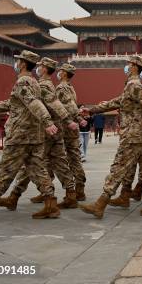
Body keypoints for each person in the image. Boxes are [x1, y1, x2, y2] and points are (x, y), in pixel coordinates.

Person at [78, 55, 142, 219]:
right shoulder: (135, 86)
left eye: (129, 64)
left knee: (119, 167)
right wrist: (93, 110)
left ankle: (101, 203)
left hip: (133, 133)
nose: (126, 67)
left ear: (134, 67)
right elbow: (118, 101)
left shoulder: (134, 84)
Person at [0, 50, 59, 222]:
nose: (16, 64)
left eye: (18, 61)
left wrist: (48, 122)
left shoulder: (22, 82)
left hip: (20, 136)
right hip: (34, 136)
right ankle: (50, 204)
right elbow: (13, 103)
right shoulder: (34, 83)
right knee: (38, 170)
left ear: (23, 64)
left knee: (5, 170)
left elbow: (33, 103)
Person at [0, 57, 82, 211]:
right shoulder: (47, 85)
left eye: (41, 66)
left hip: (46, 131)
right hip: (55, 130)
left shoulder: (42, 85)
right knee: (57, 163)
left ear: (44, 69)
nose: (38, 68)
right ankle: (70, 195)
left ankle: (15, 196)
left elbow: (53, 104)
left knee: (32, 165)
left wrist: (68, 120)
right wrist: (69, 120)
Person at [55, 63, 88, 201]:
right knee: (75, 158)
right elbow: (73, 106)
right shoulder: (71, 88)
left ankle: (70, 191)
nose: (58, 73)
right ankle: (80, 188)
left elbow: (68, 106)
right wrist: (79, 119)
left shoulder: (61, 87)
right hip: (73, 127)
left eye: (60, 71)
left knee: (58, 158)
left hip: (65, 126)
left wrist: (79, 119)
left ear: (63, 74)